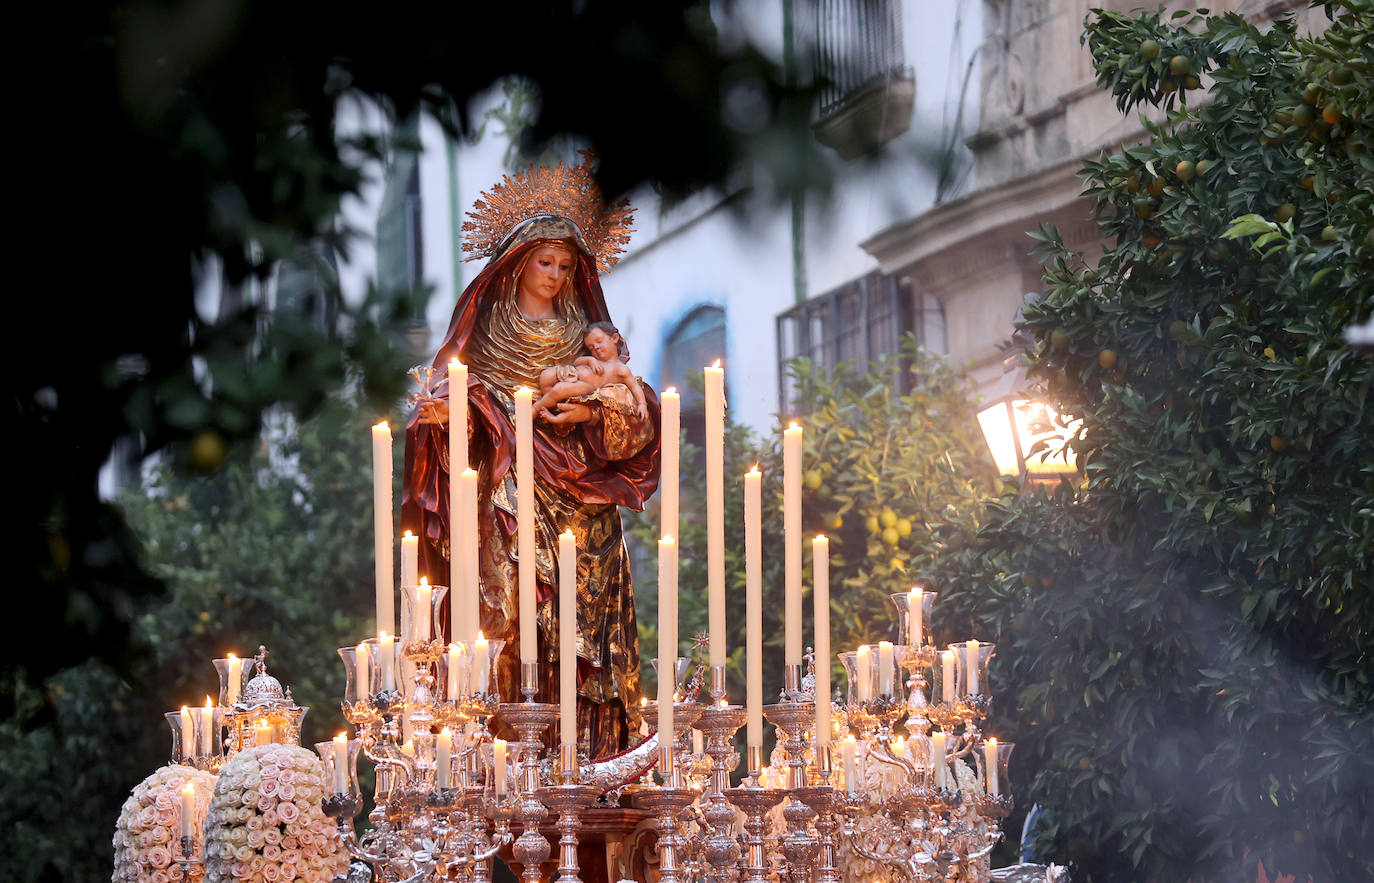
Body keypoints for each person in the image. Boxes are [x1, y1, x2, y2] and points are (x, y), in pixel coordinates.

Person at [403, 163, 657, 760]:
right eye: (546, 262)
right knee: (513, 610)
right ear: (518, 263)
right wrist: (454, 413)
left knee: (582, 617)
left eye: (566, 266)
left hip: (580, 490)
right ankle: (505, 752)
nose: (556, 275)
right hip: (507, 487)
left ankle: (585, 752)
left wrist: (596, 411)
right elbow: (457, 395)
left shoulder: (589, 335)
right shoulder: (486, 329)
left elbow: (628, 406)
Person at [533, 322, 649, 423]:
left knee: (560, 389)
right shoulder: (594, 360)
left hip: (586, 386)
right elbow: (577, 362)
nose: (596, 347)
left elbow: (634, 386)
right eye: (591, 347)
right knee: (546, 376)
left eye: (599, 341)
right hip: (572, 374)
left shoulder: (620, 369)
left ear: (614, 338)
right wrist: (590, 360)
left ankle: (536, 408)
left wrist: (642, 404)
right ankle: (552, 403)